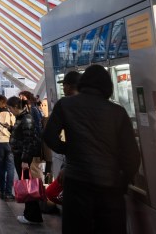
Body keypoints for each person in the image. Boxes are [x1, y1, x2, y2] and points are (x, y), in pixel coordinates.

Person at [43, 64, 139, 234]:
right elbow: (131, 156)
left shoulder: (65, 105)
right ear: (107, 85)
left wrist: (68, 149)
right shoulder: (118, 112)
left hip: (76, 184)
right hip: (109, 186)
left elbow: (49, 136)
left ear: (83, 83)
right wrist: (122, 181)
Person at [10, 96, 44, 225]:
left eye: (10, 108)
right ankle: (29, 213)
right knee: (26, 185)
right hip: (20, 154)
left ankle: (33, 216)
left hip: (24, 156)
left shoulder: (26, 118)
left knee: (28, 186)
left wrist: (25, 159)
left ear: (14, 107)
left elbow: (29, 140)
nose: (9, 111)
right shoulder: (22, 118)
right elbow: (22, 135)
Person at [0, 95, 16, 201]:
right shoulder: (9, 113)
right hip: (9, 142)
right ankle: (8, 193)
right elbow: (14, 126)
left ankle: (1, 191)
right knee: (10, 168)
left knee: (1, 168)